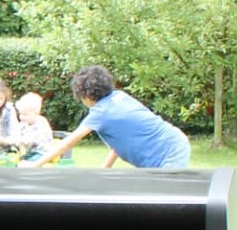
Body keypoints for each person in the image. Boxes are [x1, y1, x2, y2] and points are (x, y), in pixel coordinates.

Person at [29, 64, 191, 169]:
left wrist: (35, 165)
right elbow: (119, 142)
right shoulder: (119, 96)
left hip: (169, 152)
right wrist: (104, 170)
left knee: (161, 202)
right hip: (176, 141)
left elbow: (66, 144)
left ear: (86, 96)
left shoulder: (100, 114)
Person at [13, 91, 55, 163]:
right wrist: (12, 139)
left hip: (43, 153)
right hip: (31, 152)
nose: (22, 117)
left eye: (25, 114)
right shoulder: (24, 123)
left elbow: (31, 140)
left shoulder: (41, 123)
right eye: (20, 114)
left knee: (27, 163)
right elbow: (16, 132)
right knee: (15, 161)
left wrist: (20, 140)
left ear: (36, 113)